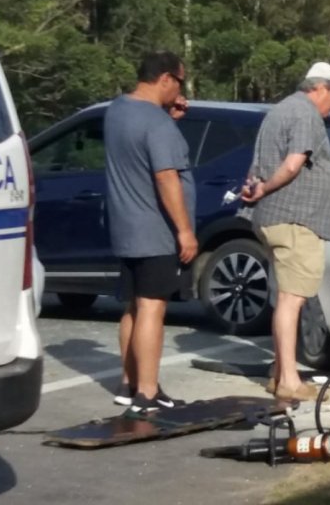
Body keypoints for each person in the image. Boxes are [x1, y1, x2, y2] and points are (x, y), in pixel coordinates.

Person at [241, 61, 330, 402]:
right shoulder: (305, 113)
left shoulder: (279, 111)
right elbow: (292, 163)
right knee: (291, 300)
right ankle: (289, 380)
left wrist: (255, 187)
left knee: (286, 297)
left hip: (277, 218)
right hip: (295, 219)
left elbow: (258, 165)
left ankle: (279, 373)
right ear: (321, 88)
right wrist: (264, 189)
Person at [104, 51, 195, 414]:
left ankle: (128, 384)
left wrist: (168, 118)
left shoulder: (117, 110)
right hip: (155, 230)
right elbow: (165, 175)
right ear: (166, 79)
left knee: (133, 307)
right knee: (153, 308)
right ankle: (147, 392)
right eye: (181, 83)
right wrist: (185, 230)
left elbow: (137, 150)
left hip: (126, 227)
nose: (182, 91)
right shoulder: (157, 125)